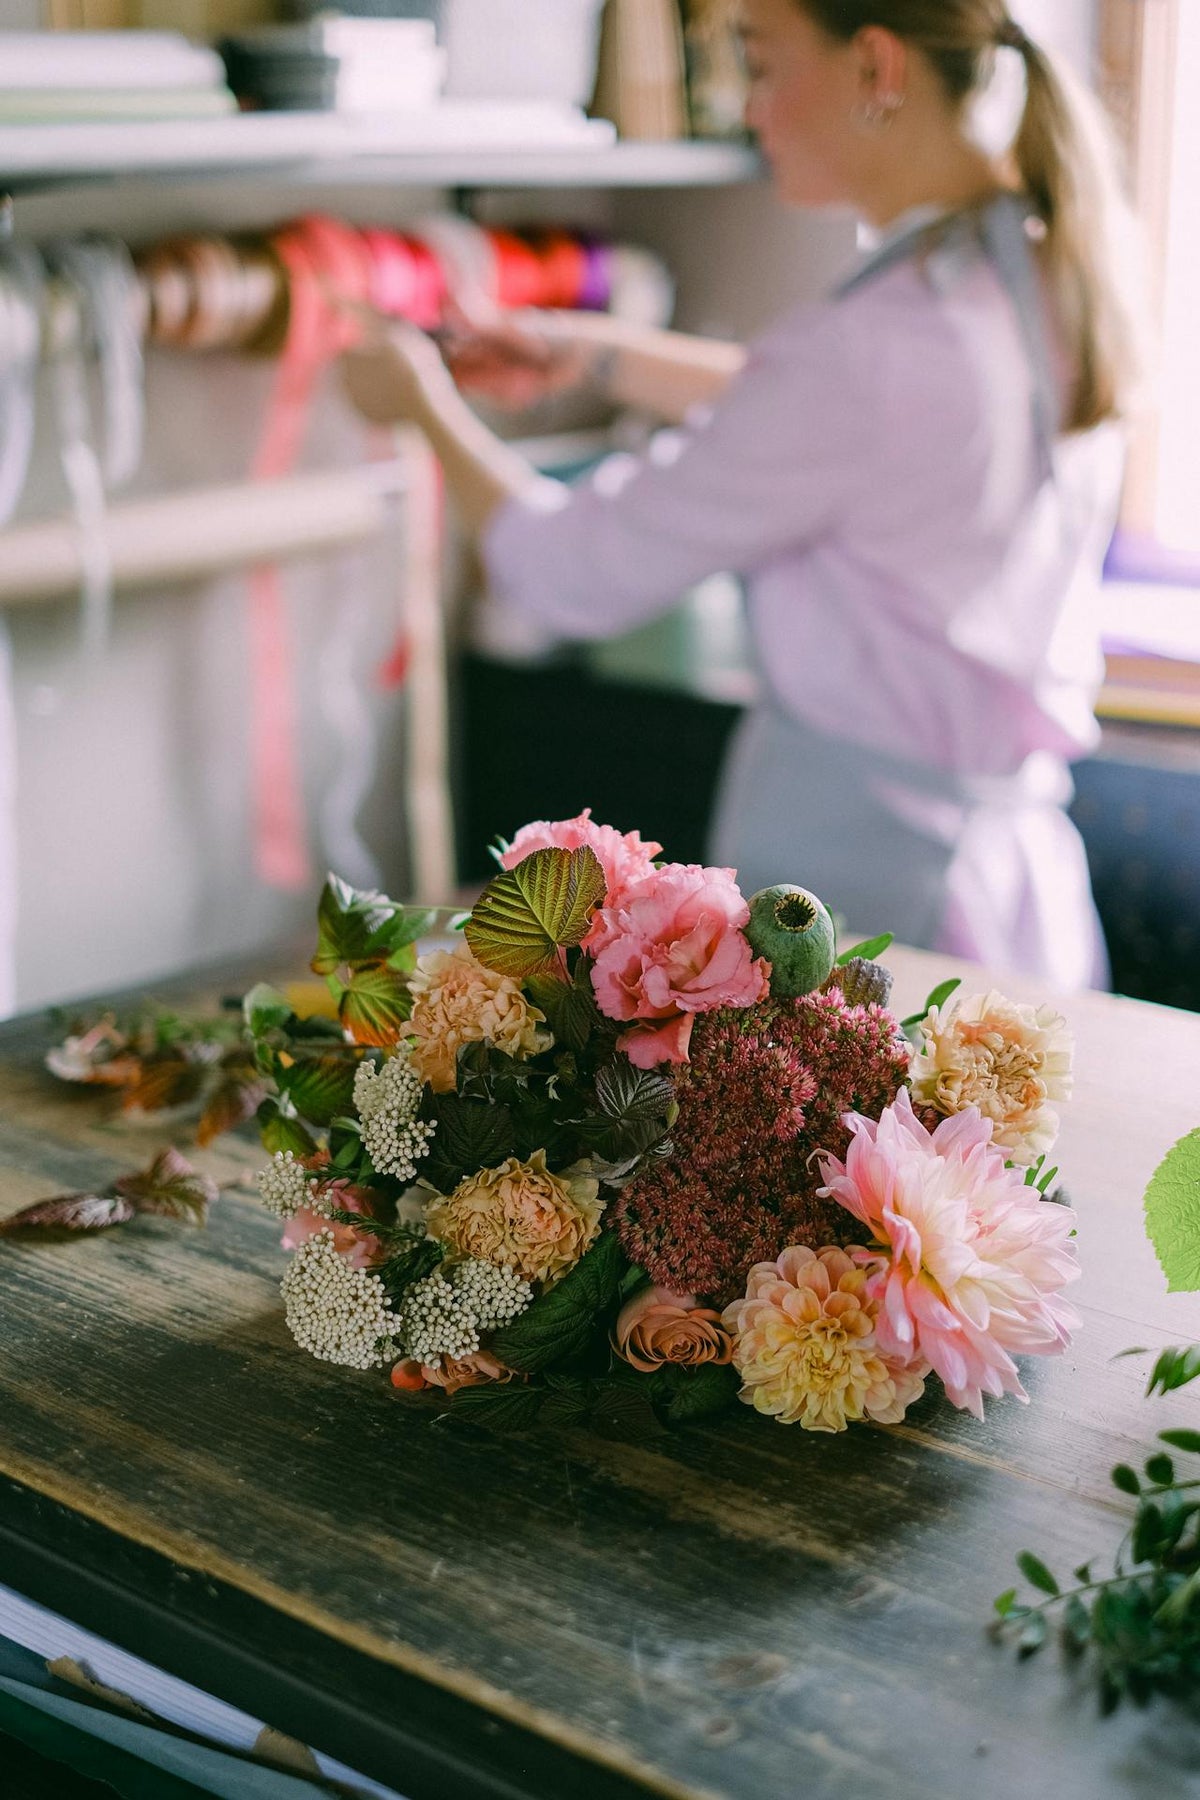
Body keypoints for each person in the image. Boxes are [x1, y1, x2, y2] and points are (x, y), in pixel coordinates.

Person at [340, 0, 1143, 990]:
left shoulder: (870, 348)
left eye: (762, 65)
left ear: (877, 67)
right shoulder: (1026, 272)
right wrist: (597, 356)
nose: (749, 107)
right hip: (1015, 899)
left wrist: (421, 405)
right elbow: (839, 421)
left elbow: (568, 573)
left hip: (879, 901)